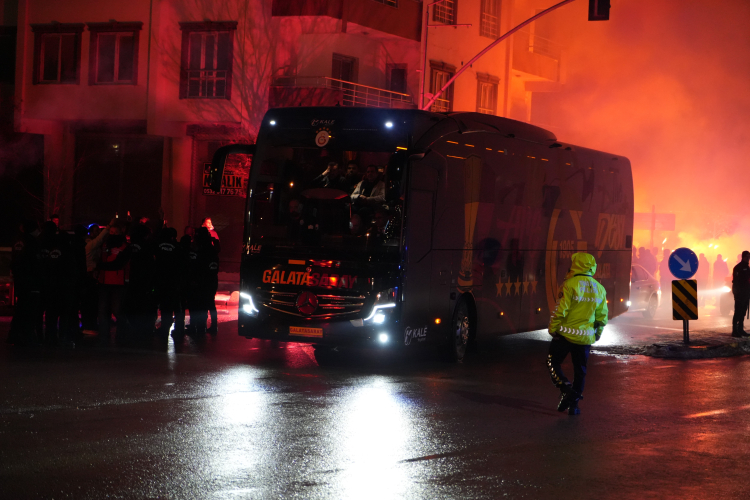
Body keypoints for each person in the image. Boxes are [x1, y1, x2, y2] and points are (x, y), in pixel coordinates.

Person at [546, 252, 608, 416]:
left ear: (575, 265)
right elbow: (602, 316)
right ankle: (574, 406)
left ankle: (566, 388)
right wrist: (597, 334)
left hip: (565, 335)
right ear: (592, 267)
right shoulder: (599, 288)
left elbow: (560, 310)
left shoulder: (569, 284)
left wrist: (553, 328)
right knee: (580, 371)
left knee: (552, 362)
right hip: (586, 337)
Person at [731, 251, 750, 338]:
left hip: (746, 293)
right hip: (740, 294)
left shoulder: (747, 267)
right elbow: (735, 282)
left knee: (743, 312)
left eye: (749, 257)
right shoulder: (738, 267)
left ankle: (740, 329)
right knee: (738, 312)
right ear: (743, 257)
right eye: (747, 256)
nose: (748, 258)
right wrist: (737, 293)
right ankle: (735, 331)